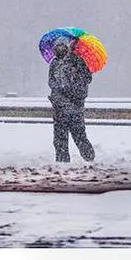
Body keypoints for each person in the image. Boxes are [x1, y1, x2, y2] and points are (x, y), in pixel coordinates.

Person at [39, 27, 106, 163]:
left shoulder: (78, 61)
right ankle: (62, 160)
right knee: (59, 136)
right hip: (59, 105)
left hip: (74, 105)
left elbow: (85, 80)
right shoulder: (54, 63)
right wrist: (59, 91)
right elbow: (51, 81)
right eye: (56, 46)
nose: (58, 49)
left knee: (79, 134)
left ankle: (89, 157)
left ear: (66, 47)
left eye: (61, 46)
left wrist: (72, 84)